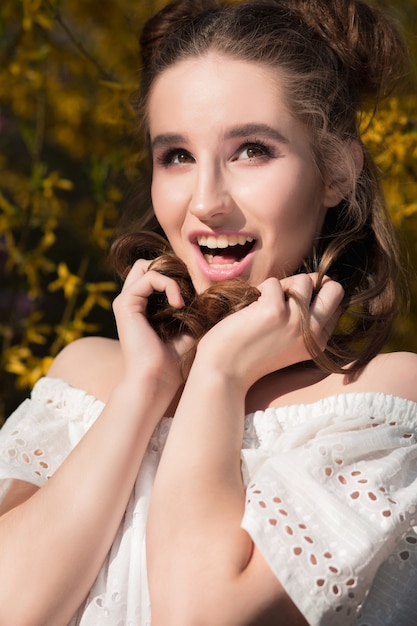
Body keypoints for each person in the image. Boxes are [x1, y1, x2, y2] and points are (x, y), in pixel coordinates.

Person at [0, 0, 416, 624]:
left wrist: (220, 375)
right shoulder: (86, 376)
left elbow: (199, 614)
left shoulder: (384, 401)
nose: (206, 202)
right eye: (177, 155)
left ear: (336, 171)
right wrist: (146, 387)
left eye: (251, 150)